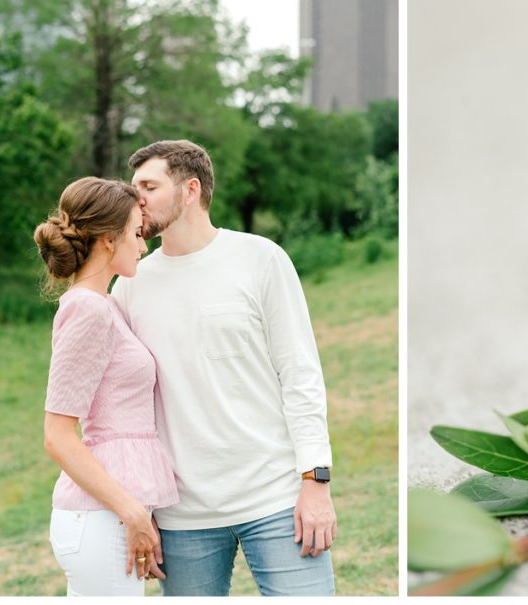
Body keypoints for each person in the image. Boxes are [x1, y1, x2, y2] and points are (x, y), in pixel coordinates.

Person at [110, 139, 336, 596]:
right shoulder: (131, 285)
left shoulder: (261, 260)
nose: (137, 200)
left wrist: (317, 483)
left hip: (275, 498)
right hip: (182, 516)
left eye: (149, 187)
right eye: (135, 188)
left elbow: (300, 375)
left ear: (190, 190)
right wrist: (141, 507)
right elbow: (124, 408)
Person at [35, 177, 179, 596]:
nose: (144, 245)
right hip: (99, 521)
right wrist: (131, 512)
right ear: (108, 239)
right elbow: (58, 437)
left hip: (111, 515)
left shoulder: (107, 305)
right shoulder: (86, 309)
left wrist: (139, 510)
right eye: (136, 233)